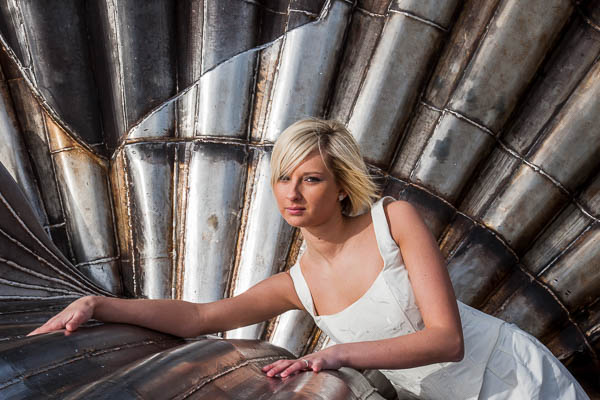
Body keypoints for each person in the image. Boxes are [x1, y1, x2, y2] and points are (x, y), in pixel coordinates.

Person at [30, 119, 588, 399]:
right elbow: (198, 317)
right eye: (283, 179)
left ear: (342, 187)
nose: (293, 193)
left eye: (311, 178)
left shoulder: (394, 221)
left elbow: (447, 339)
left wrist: (335, 354)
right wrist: (100, 305)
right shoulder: (297, 283)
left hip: (514, 374)